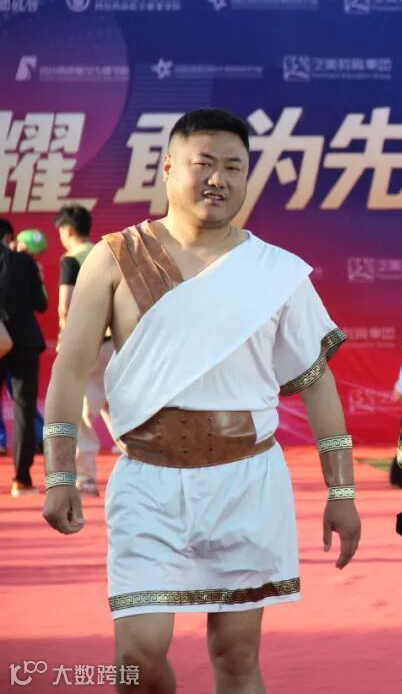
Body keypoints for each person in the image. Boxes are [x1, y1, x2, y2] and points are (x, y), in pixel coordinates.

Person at [41, 108, 361, 693]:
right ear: (167, 168)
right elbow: (69, 367)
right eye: (204, 163)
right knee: (136, 660)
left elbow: (317, 382)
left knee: (235, 658)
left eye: (234, 167)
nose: (219, 179)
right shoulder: (115, 258)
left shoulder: (275, 272)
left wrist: (341, 493)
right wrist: (60, 474)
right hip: (148, 483)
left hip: (246, 484)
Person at [55, 204, 113, 495]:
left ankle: (86, 476)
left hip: (85, 343)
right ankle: (146, 462)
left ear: (67, 230)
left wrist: (66, 337)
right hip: (113, 341)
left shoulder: (71, 260)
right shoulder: (106, 252)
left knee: (81, 411)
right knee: (113, 405)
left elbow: (65, 305)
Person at [0, 219, 48, 496]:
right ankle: (21, 479)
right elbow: (41, 304)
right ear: (8, 237)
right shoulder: (24, 262)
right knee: (23, 409)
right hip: (23, 342)